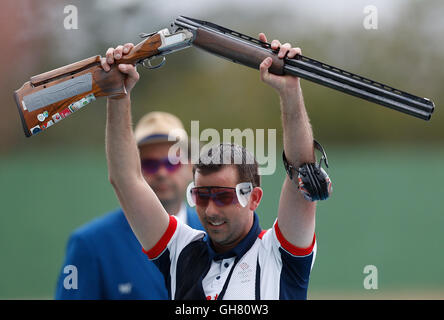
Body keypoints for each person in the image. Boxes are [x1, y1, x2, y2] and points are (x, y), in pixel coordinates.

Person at [103, 33, 320, 300]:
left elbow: (301, 171)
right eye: (201, 196)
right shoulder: (181, 250)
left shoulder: (277, 253)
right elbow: (126, 180)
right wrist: (117, 96)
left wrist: (290, 93)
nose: (211, 210)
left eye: (223, 196)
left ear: (253, 198)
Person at [55, 111, 203, 299]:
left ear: (190, 166)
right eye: (149, 164)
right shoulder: (90, 244)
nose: (162, 173)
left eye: (172, 162)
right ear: (132, 169)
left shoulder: (213, 235)